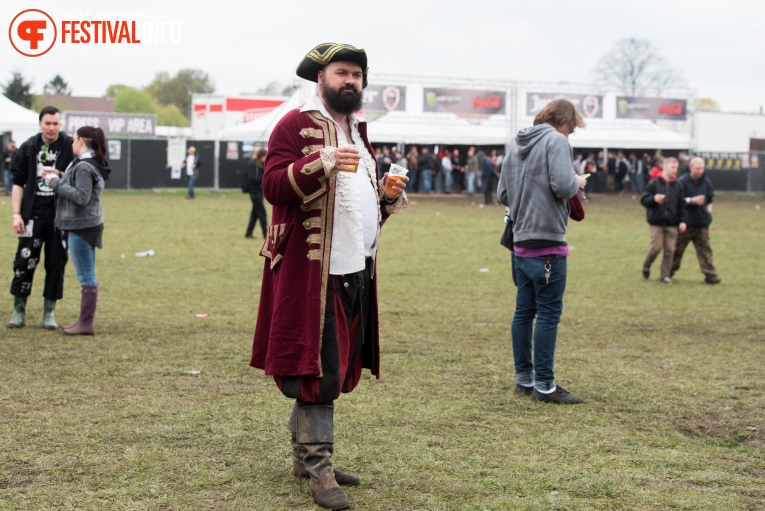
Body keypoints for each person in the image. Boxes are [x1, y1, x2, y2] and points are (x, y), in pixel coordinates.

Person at [249, 42, 408, 511]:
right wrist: (320, 161)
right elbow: (273, 185)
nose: (351, 81)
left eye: (357, 74)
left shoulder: (359, 130)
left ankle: (304, 456)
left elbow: (356, 202)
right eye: (342, 72)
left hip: (356, 266)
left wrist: (385, 201)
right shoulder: (294, 123)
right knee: (320, 368)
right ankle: (318, 466)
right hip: (311, 270)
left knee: (332, 362)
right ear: (320, 78)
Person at [497, 98, 587, 405]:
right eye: (572, 128)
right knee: (548, 315)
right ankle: (545, 386)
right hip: (547, 241)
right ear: (565, 122)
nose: (571, 133)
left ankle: (525, 379)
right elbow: (563, 186)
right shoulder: (557, 142)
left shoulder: (516, 143)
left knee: (524, 312)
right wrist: (577, 180)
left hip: (520, 242)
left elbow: (502, 194)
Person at [7, 106, 74, 329]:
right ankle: (18, 310)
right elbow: (17, 183)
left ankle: (49, 313)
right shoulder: (28, 147)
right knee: (24, 263)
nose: (52, 128)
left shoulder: (70, 146)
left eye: (55, 123)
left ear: (60, 124)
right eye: (47, 123)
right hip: (31, 217)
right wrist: (17, 214)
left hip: (59, 219)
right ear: (40, 124)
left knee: (56, 264)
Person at [44, 126, 111, 335]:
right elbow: (81, 185)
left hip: (81, 225)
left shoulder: (84, 166)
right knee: (87, 273)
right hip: (87, 224)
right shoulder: (88, 163)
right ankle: (84, 322)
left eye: (74, 140)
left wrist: (55, 183)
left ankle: (85, 323)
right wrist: (61, 174)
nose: (71, 143)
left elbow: (82, 196)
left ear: (81, 140)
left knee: (86, 275)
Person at [670, 157, 721, 284]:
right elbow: (677, 200)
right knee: (677, 249)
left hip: (701, 223)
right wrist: (691, 200)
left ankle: (710, 274)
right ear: (691, 168)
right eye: (697, 168)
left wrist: (708, 214)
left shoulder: (707, 183)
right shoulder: (682, 182)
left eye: (702, 168)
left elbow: (709, 200)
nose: (700, 171)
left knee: (705, 249)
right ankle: (668, 272)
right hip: (685, 223)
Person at [640, 157, 687, 284]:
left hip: (672, 223)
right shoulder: (654, 183)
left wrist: (683, 221)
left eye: (676, 168)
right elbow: (644, 200)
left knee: (670, 250)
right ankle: (647, 265)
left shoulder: (678, 185)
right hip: (656, 222)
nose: (675, 170)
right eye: (673, 167)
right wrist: (653, 199)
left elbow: (682, 205)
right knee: (656, 247)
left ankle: (665, 275)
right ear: (664, 167)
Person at [244, 148, 268, 239]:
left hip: (259, 191)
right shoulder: (253, 165)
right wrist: (263, 178)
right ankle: (265, 234)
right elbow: (251, 179)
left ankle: (248, 233)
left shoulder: (262, 165)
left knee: (255, 213)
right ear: (261, 156)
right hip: (254, 191)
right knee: (262, 213)